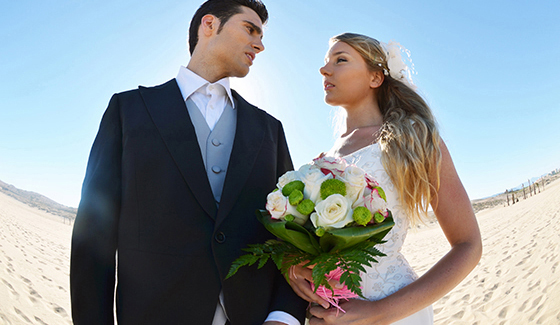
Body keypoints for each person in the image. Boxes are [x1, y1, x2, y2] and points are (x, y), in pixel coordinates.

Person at [69, 1, 307, 324]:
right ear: (209, 25)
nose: (260, 45)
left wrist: (284, 316)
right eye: (250, 29)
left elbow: (292, 234)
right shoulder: (128, 111)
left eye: (261, 36)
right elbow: (93, 236)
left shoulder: (270, 131)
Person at [287, 33, 483, 324]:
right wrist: (293, 267)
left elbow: (469, 246)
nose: (324, 69)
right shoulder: (324, 159)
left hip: (395, 312)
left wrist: (378, 313)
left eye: (340, 60)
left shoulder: (413, 139)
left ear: (376, 77)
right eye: (326, 62)